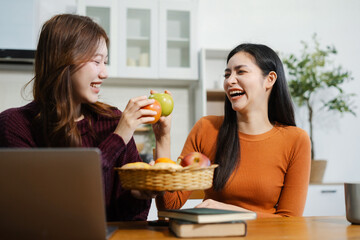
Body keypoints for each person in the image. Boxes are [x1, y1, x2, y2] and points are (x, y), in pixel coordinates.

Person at [0, 14, 171, 221]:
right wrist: (117, 139)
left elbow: (130, 220)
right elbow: (52, 207)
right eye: (97, 61)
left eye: (105, 62)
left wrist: (139, 195)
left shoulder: (112, 120)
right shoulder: (15, 125)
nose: (105, 73)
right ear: (63, 60)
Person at [156, 43, 311, 217]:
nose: (230, 81)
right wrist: (163, 137)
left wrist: (227, 210)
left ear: (270, 79)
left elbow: (290, 220)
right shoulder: (206, 128)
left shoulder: (296, 140)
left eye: (241, 72)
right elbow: (169, 206)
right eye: (227, 74)